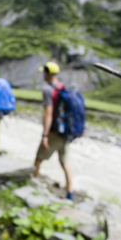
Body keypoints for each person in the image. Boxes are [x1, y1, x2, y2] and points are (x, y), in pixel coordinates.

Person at [34, 61, 74, 200]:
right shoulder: (63, 88)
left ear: (47, 73)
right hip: (66, 132)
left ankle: (32, 183)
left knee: (38, 158)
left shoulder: (47, 89)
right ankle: (70, 192)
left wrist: (45, 135)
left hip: (54, 132)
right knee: (64, 162)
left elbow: (48, 113)